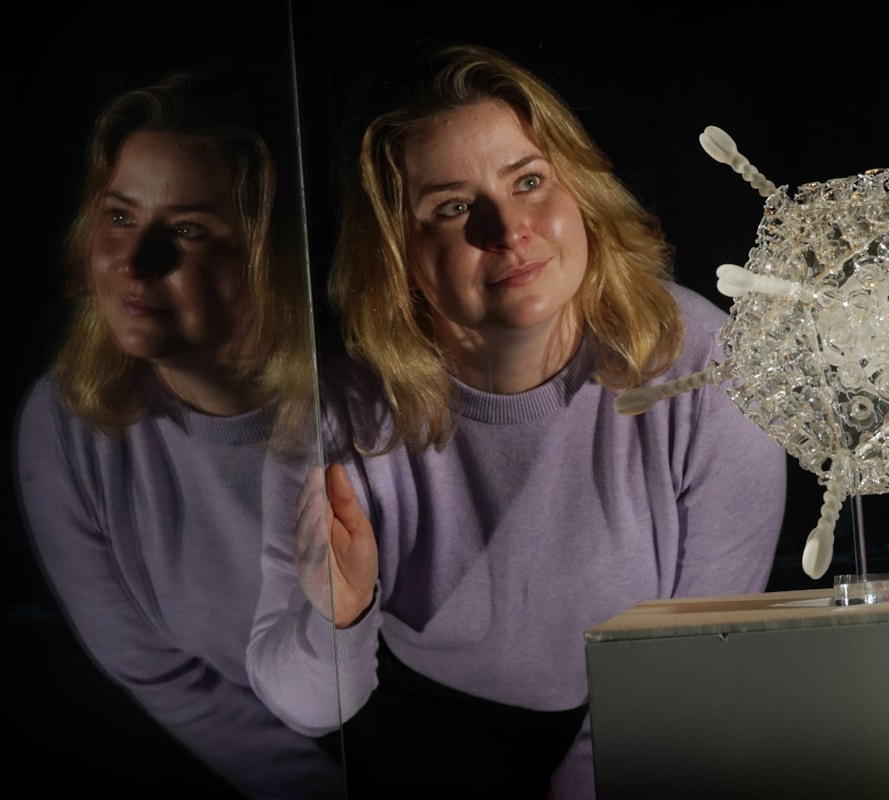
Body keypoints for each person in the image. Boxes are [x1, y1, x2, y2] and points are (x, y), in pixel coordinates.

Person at [246, 43, 788, 799]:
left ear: (582, 193)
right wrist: (339, 619)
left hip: (659, 715)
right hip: (425, 728)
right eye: (452, 207)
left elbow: (696, 660)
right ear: (395, 252)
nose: (507, 230)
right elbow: (304, 704)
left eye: (529, 181)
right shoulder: (334, 412)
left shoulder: (707, 367)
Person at [13, 71, 344, 798]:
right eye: (122, 217)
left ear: (273, 254)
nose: (134, 261)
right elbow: (155, 668)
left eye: (189, 230)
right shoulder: (65, 423)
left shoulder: (360, 403)